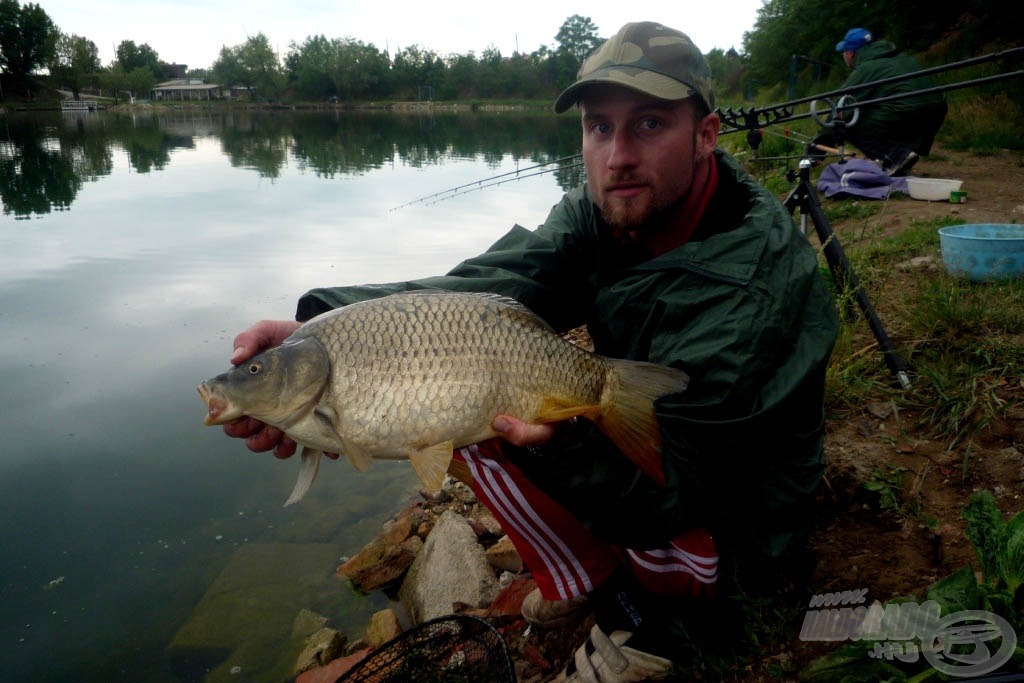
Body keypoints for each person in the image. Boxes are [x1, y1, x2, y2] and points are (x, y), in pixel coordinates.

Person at [224, 21, 839, 682]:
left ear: (707, 135)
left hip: (731, 524)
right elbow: (480, 293)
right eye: (599, 127)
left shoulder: (753, 291)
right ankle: (597, 577)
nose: (617, 155)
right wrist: (320, 330)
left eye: (649, 125)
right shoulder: (611, 207)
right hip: (659, 454)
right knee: (454, 387)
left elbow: (674, 492)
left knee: (506, 424)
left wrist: (551, 440)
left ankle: (657, 628)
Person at [812, 27, 948, 176]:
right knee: (879, 111)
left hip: (907, 111)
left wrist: (817, 148)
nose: (843, 55)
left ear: (851, 53)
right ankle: (902, 154)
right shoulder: (904, 58)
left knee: (847, 124)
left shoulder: (867, 68)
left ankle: (896, 156)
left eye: (843, 52)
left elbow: (840, 110)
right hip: (936, 111)